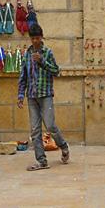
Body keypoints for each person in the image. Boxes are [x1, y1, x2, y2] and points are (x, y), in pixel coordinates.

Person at [17, 23, 69, 171]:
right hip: (32, 96)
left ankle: (64, 146)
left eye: (37, 38)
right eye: (33, 38)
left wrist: (42, 62)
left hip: (45, 95)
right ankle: (41, 160)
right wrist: (21, 95)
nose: (35, 41)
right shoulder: (27, 54)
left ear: (42, 37)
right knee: (35, 130)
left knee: (50, 125)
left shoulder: (48, 52)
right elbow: (23, 76)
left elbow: (56, 71)